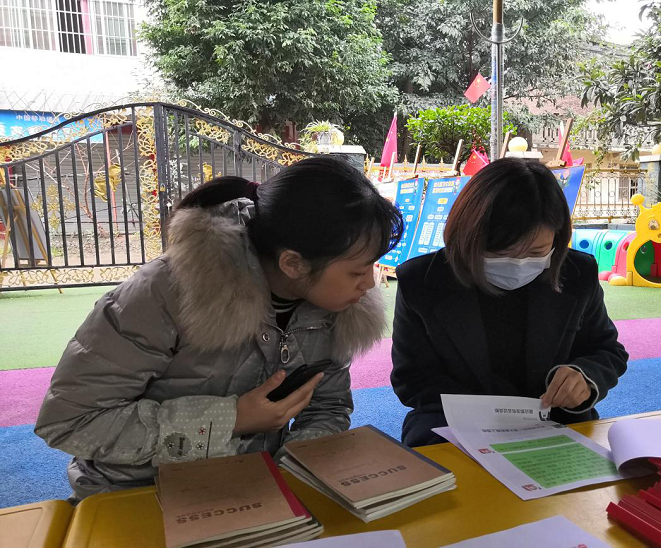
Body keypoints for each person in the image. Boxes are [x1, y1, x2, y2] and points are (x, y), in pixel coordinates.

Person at [35, 157, 403, 500]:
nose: (369, 285)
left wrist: (289, 473)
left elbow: (327, 406)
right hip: (138, 492)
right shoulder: (164, 294)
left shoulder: (338, 308)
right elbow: (71, 421)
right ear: (293, 264)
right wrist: (231, 419)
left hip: (252, 488)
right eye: (357, 272)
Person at [390, 158, 628, 447]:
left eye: (536, 252)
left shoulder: (577, 274)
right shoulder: (421, 281)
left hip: (555, 418)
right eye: (500, 252)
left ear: (557, 238)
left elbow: (606, 349)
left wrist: (584, 377)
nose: (518, 263)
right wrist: (488, 414)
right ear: (467, 236)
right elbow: (411, 377)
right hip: (452, 422)